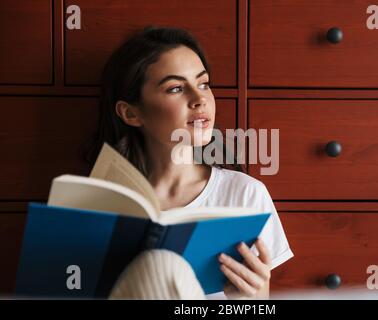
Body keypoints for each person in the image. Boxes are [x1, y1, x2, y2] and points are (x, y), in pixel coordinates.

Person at [85, 26, 293, 299]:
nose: (200, 99)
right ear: (131, 113)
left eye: (204, 84)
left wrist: (254, 298)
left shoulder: (245, 194)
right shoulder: (98, 201)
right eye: (176, 88)